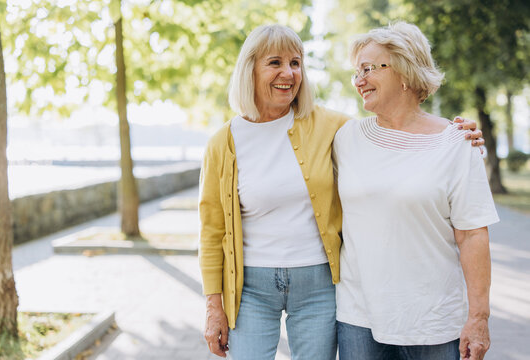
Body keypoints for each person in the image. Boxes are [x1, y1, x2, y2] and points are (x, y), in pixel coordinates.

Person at [199, 24, 483, 360]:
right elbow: (212, 230)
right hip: (251, 287)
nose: (288, 73)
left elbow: (398, 124)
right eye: (274, 63)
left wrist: (455, 133)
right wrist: (213, 306)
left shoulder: (333, 126)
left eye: (296, 63)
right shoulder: (224, 141)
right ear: (250, 69)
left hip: (318, 282)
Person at [334, 22, 499, 360]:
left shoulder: (456, 142)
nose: (359, 81)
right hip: (358, 318)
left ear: (405, 70)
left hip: (433, 323)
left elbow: (472, 236)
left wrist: (479, 318)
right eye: (356, 72)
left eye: (368, 69)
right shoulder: (345, 138)